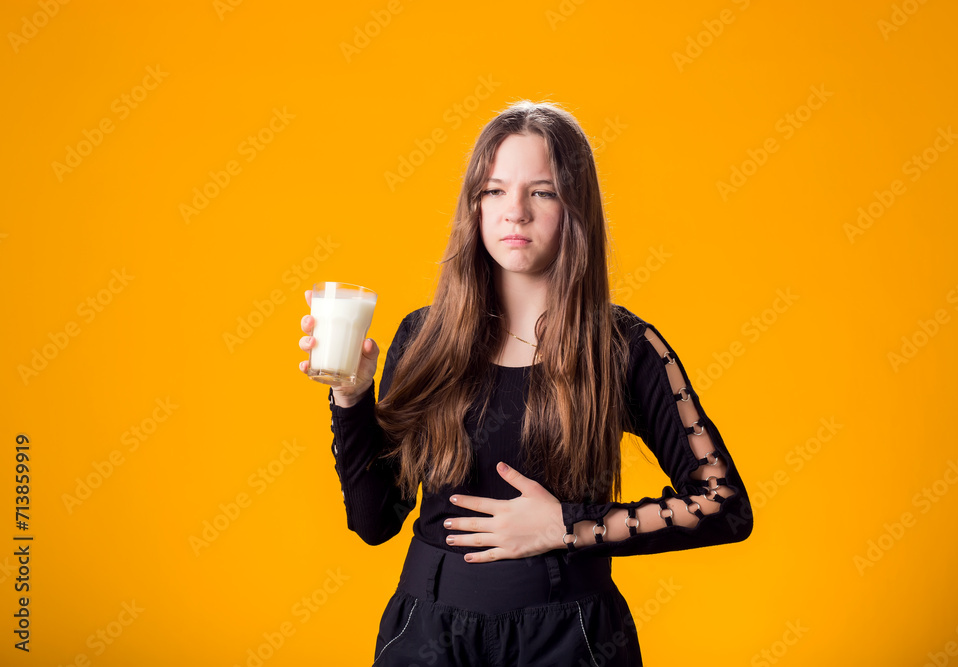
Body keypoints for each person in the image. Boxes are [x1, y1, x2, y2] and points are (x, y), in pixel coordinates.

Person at [298, 100, 753, 666]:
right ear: (475, 207)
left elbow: (725, 506)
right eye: (494, 190)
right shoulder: (422, 336)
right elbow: (373, 522)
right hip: (427, 637)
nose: (514, 212)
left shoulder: (623, 346)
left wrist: (567, 526)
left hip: (572, 640)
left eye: (541, 191)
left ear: (575, 207)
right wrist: (351, 397)